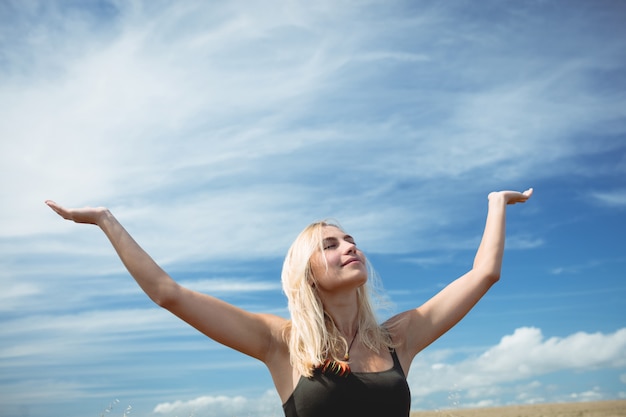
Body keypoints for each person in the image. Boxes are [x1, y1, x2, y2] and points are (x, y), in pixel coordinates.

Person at [45, 188, 533, 417]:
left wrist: (496, 204)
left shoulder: (397, 338)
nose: (349, 247)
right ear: (307, 273)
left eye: (351, 239)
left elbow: (484, 273)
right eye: (330, 245)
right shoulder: (281, 343)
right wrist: (106, 220)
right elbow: (168, 293)